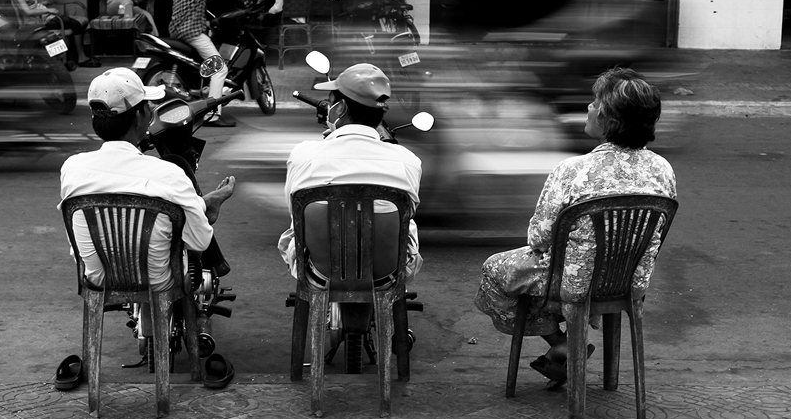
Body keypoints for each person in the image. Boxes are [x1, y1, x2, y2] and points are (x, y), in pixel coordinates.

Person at [473, 67, 676, 389]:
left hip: (574, 283)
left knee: (497, 269)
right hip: (628, 281)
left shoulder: (573, 170)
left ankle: (561, 342)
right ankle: (568, 344)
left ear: (610, 120)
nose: (589, 108)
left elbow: (539, 238)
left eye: (595, 103)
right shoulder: (662, 169)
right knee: (554, 270)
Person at [59, 67, 235, 293]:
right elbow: (199, 242)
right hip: (158, 282)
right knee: (188, 238)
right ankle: (199, 206)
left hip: (99, 278)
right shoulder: (169, 174)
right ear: (140, 116)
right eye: (148, 107)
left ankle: (199, 205)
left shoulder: (72, 168)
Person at [278, 63, 423, 281]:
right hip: (385, 278)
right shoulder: (409, 161)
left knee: (298, 216)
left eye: (331, 102)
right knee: (407, 219)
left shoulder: (303, 155)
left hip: (321, 276)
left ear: (340, 108)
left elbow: (294, 210)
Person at [170, 0, 234, 127]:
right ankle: (212, 115)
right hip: (191, 31)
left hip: (177, 29)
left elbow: (190, 4)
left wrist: (204, 21)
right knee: (220, 69)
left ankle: (201, 92)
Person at [8, 0, 100, 69]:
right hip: (39, 22)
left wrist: (44, 3)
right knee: (72, 23)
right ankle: (79, 58)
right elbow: (27, 12)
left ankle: (77, 57)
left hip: (44, 17)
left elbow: (31, 7)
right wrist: (48, 10)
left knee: (74, 24)